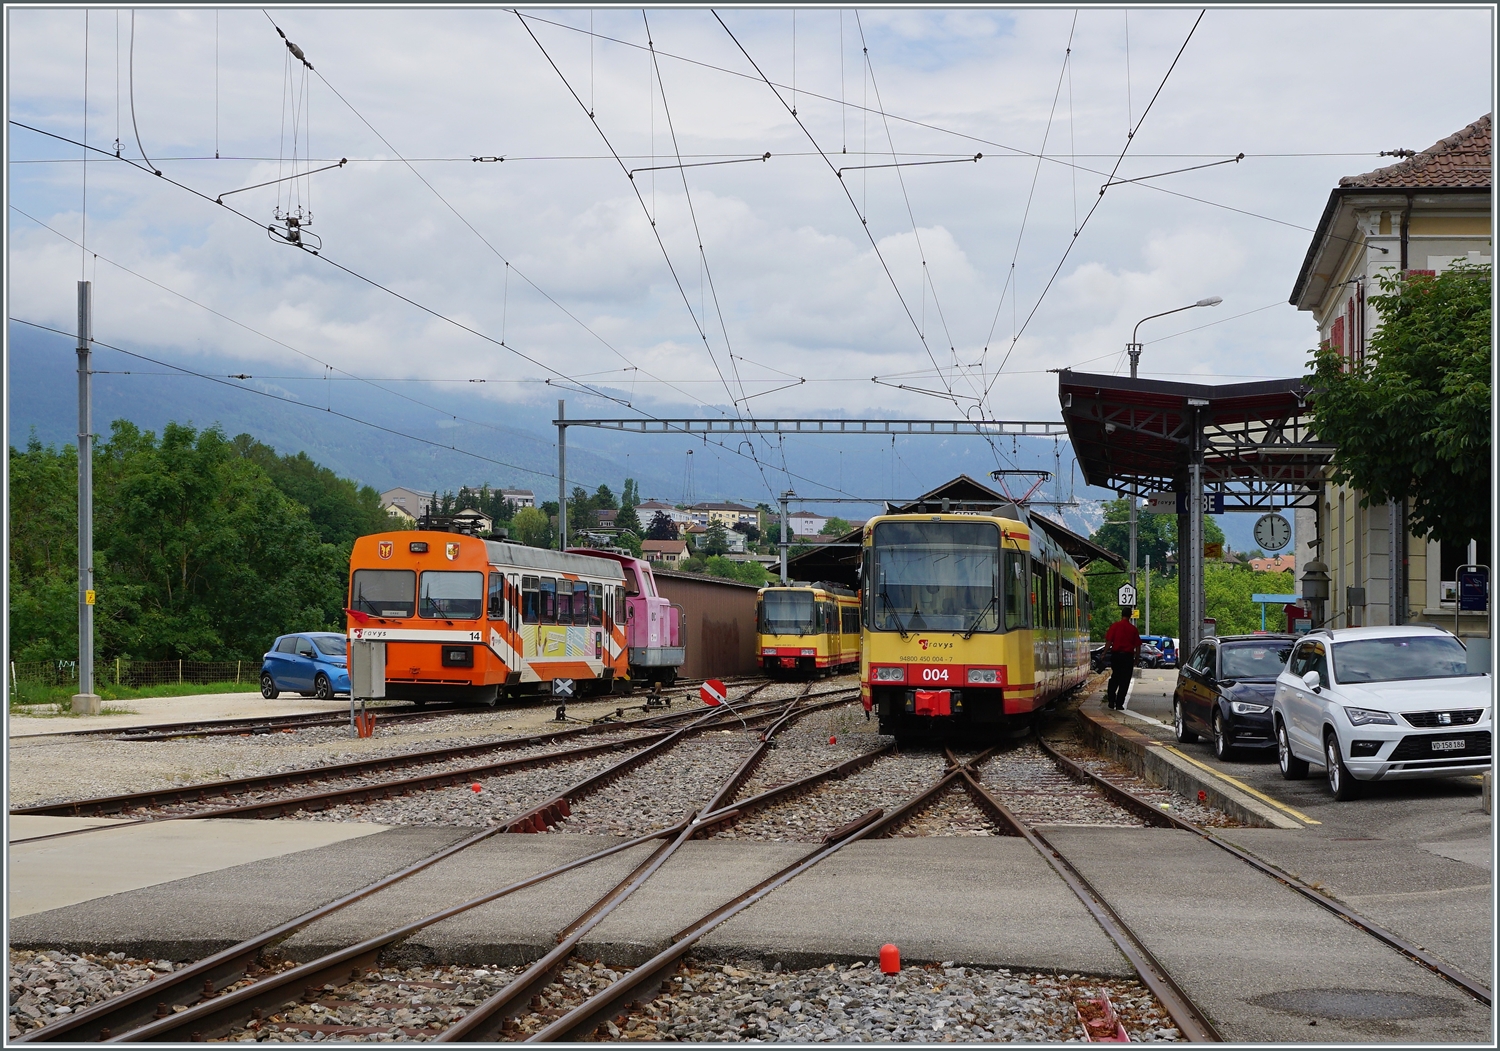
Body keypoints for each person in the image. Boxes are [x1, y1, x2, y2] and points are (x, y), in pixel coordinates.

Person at [1103, 607, 1141, 710]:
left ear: (1122, 614)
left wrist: (1104, 653)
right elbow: (1138, 646)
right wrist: (1137, 658)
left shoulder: (1115, 626)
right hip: (1128, 657)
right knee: (1125, 680)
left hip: (1116, 656)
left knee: (1115, 677)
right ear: (1130, 615)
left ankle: (1111, 700)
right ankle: (1119, 703)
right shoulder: (1133, 629)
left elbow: (1109, 642)